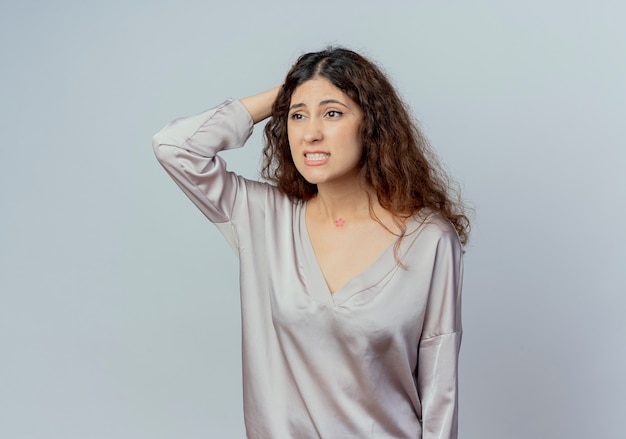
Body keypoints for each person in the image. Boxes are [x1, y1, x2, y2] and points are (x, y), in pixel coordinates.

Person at [153, 47, 470, 439]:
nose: (310, 132)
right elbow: (174, 146)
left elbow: (441, 392)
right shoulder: (262, 218)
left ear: (372, 124)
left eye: (332, 113)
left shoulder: (429, 239)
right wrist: (288, 91)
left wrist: (305, 94)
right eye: (297, 116)